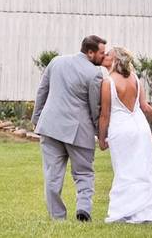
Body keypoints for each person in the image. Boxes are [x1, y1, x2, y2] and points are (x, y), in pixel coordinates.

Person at [98, 47, 152, 224]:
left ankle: (125, 210)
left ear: (115, 61)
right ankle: (145, 209)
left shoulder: (108, 82)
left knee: (124, 170)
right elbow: (145, 107)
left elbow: (105, 115)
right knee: (144, 170)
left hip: (121, 130)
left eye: (108, 55)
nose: (105, 57)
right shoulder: (135, 79)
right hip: (141, 129)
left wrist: (101, 139)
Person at [32, 35, 106, 222]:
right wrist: (99, 132)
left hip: (50, 126)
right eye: (101, 53)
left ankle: (57, 218)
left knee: (52, 176)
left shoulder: (56, 62)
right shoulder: (94, 73)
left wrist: (37, 118)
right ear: (90, 52)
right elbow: (94, 106)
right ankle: (83, 208)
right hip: (79, 131)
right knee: (84, 172)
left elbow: (42, 91)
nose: (103, 57)